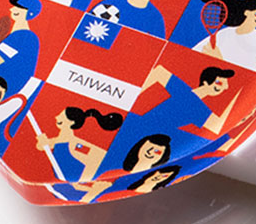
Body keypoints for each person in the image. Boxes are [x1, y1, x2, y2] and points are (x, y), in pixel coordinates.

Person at [96, 65, 240, 174]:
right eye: (220, 82)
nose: (224, 87)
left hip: (149, 132)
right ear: (207, 81)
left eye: (225, 85)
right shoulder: (195, 104)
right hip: (144, 129)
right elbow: (159, 72)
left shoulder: (197, 106)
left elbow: (158, 72)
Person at [193, 0, 256, 71]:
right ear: (247, 12)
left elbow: (247, 73)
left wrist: (219, 59)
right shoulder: (226, 33)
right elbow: (196, 51)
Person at [35, 107, 123, 182]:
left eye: (61, 116)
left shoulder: (75, 144)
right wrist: (43, 142)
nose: (56, 117)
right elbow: (41, 146)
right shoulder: (60, 140)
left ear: (71, 122)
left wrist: (82, 181)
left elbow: (99, 158)